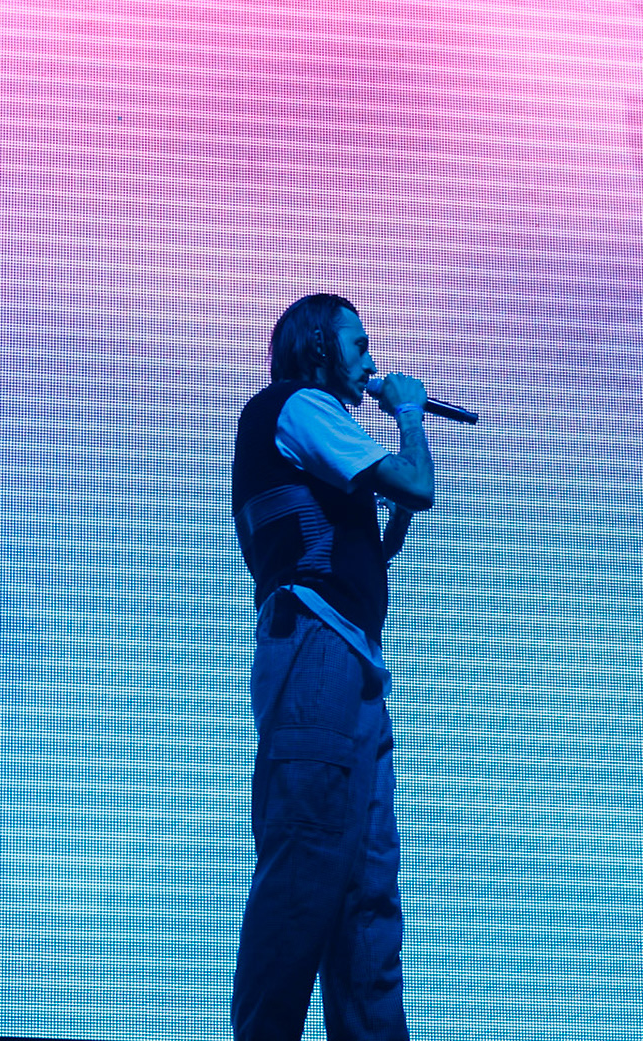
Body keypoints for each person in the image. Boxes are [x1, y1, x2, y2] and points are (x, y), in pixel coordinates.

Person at [229, 293, 436, 1041]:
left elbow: (368, 548)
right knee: (306, 860)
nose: (370, 360)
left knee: (366, 887)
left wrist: (393, 504)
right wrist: (408, 414)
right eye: (358, 344)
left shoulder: (324, 430)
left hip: (351, 656)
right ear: (318, 347)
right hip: (315, 647)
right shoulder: (299, 406)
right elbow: (417, 484)